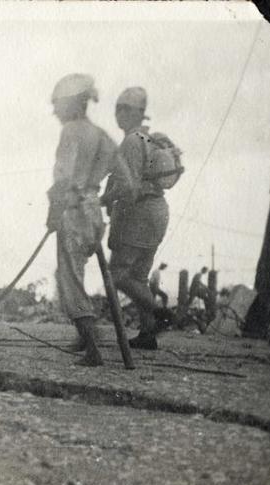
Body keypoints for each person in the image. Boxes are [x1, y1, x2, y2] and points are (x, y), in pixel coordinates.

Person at [46, 73, 126, 368]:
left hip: (73, 212)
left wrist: (53, 213)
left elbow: (64, 178)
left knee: (68, 278)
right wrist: (100, 197)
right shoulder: (101, 135)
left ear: (70, 105)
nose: (54, 111)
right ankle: (85, 339)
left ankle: (92, 347)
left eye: (57, 105)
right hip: (93, 213)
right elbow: (126, 181)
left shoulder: (70, 132)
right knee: (74, 272)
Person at [101, 87, 175, 350]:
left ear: (134, 113)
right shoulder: (148, 139)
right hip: (156, 210)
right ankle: (148, 333)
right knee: (140, 276)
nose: (118, 114)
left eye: (122, 109)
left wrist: (104, 199)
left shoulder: (132, 141)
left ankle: (159, 313)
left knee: (117, 275)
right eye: (117, 108)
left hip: (140, 213)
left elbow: (128, 188)